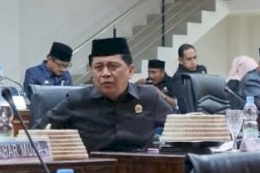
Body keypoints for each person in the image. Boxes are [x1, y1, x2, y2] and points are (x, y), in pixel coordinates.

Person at [40, 37, 172, 152]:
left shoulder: (148, 97)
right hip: (94, 170)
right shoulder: (77, 101)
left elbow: (179, 129)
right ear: (91, 71)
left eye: (113, 67)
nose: (105, 74)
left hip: (141, 169)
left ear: (130, 71)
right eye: (98, 68)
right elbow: (38, 133)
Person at [172, 44, 207, 113]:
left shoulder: (202, 70)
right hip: (190, 114)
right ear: (180, 60)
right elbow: (183, 104)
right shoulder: (178, 77)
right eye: (189, 59)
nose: (193, 62)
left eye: (195, 57)